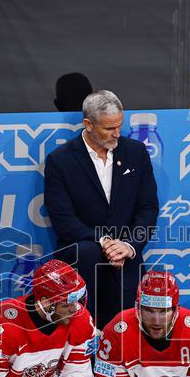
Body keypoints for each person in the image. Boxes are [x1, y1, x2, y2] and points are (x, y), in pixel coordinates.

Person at [44, 89, 159, 329]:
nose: (117, 133)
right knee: (88, 253)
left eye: (120, 126)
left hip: (125, 254)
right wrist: (104, 242)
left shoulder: (136, 153)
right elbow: (63, 219)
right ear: (88, 124)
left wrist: (128, 246)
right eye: (109, 128)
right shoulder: (60, 160)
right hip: (82, 256)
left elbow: (147, 208)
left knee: (128, 322)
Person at [94, 271, 190, 377]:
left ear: (176, 310)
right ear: (138, 308)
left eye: (164, 311)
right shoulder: (116, 332)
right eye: (148, 310)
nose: (157, 321)